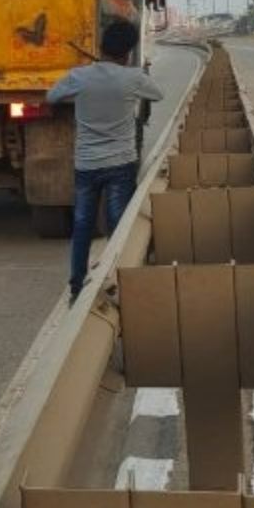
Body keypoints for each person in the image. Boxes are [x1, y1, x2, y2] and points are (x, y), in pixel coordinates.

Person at [45, 20, 164, 301]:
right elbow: (157, 94)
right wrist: (140, 73)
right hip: (121, 164)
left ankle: (76, 286)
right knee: (118, 227)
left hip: (87, 164)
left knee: (82, 225)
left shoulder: (80, 76)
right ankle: (117, 283)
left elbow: (52, 96)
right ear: (128, 52)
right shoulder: (133, 78)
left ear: (101, 47)